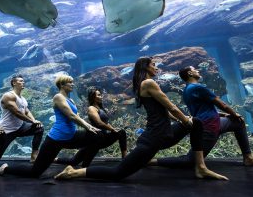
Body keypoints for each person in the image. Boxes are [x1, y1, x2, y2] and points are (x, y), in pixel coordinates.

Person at [54, 57, 228, 181]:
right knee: (118, 173)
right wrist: (184, 120)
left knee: (196, 123)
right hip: (153, 137)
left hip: (164, 132)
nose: (157, 68)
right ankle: (73, 172)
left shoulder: (146, 84)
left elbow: (164, 111)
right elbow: (171, 107)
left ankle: (201, 167)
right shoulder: (148, 84)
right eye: (154, 65)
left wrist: (187, 120)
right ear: (145, 67)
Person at [149, 66, 253, 167]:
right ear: (190, 73)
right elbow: (221, 104)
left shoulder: (187, 91)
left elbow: (201, 110)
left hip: (212, 121)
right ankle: (152, 161)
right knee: (191, 161)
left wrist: (226, 115)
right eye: (195, 69)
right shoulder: (198, 87)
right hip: (209, 126)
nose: (198, 71)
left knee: (238, 123)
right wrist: (234, 113)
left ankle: (248, 157)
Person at [0, 75, 104, 177]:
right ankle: (6, 169)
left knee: (97, 136)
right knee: (35, 172)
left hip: (70, 136)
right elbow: (71, 116)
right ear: (62, 85)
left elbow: (77, 116)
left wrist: (88, 126)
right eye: (69, 82)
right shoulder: (58, 97)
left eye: (73, 82)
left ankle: (84, 167)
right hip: (56, 139)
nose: (73, 84)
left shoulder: (70, 100)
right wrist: (88, 127)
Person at [55, 87, 128, 166]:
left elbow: (106, 122)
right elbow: (99, 123)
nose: (101, 96)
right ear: (93, 97)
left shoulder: (101, 108)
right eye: (99, 95)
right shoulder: (91, 108)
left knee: (121, 132)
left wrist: (113, 129)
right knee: (74, 161)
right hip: (94, 140)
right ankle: (53, 159)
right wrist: (112, 129)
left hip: (103, 138)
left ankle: (125, 159)